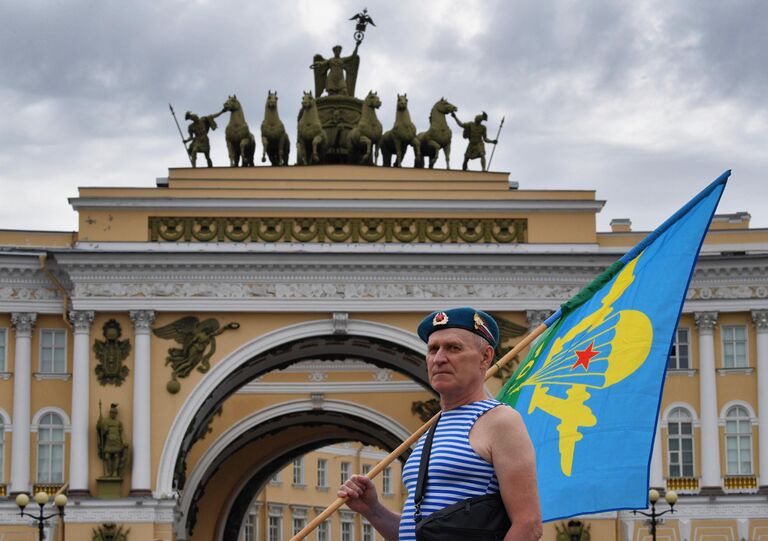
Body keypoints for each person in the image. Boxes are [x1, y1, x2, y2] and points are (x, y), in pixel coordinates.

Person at [338, 307, 543, 540]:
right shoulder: (429, 431)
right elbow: (420, 532)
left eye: (453, 348)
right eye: (433, 349)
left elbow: (528, 525)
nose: (439, 358)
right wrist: (373, 510)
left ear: (485, 357)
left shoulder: (499, 421)